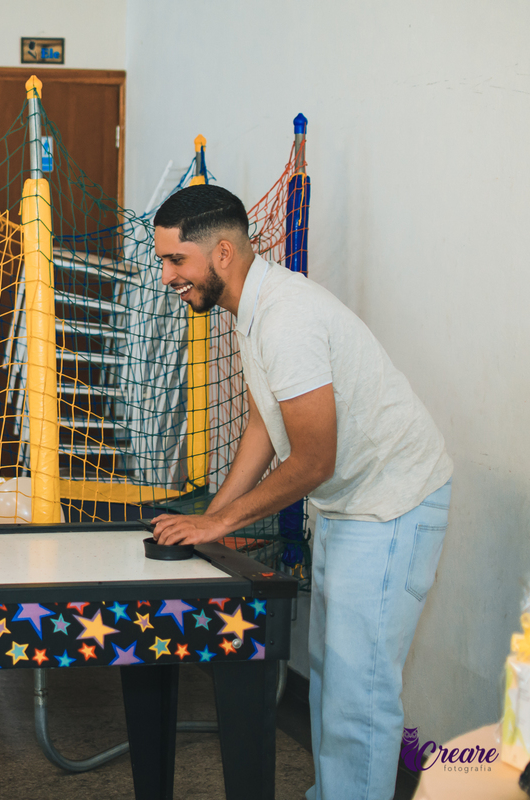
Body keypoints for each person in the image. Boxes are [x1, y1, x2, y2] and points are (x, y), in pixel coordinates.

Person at [149, 184, 452, 800]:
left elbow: (313, 458)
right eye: (163, 262)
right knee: (333, 686)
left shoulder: (286, 317)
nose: (166, 277)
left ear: (224, 253)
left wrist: (219, 521)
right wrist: (214, 517)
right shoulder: (251, 308)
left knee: (357, 699)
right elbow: (267, 420)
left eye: (176, 260)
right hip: (349, 504)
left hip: (393, 503)